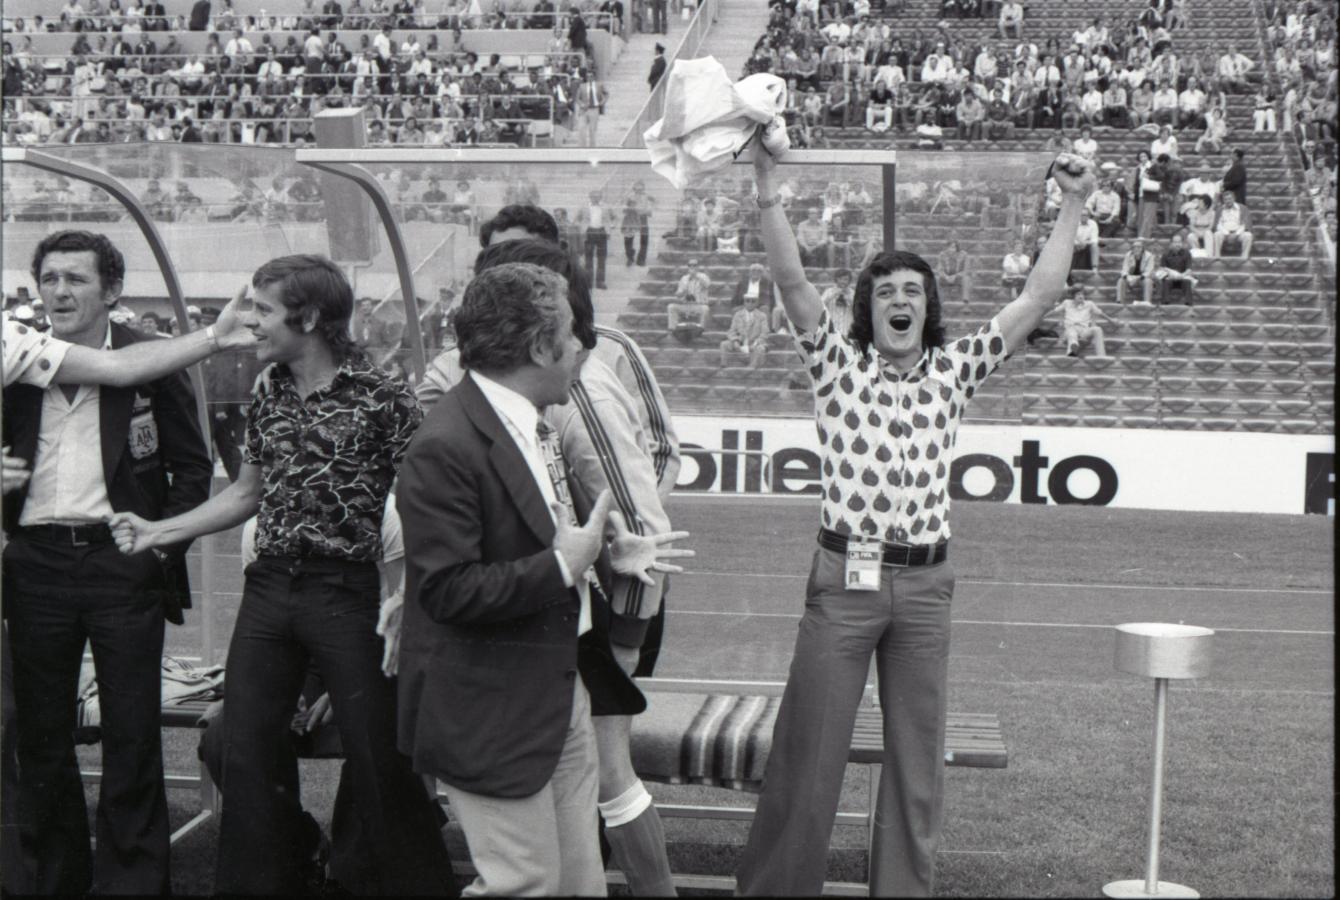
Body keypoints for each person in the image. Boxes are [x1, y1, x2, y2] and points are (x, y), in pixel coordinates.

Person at [737, 128, 1096, 896]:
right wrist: (767, 190)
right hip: (845, 580)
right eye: (886, 291)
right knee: (812, 752)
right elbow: (795, 285)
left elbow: (1038, 297)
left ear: (928, 306)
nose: (900, 299)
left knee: (916, 759)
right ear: (866, 308)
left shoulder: (956, 370)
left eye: (913, 291)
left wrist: (1071, 204)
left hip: (927, 588)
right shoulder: (836, 365)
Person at [107, 255, 454, 895]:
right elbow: (247, 494)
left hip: (348, 593)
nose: (249, 320)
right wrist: (163, 530)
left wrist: (408, 591)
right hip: (268, 590)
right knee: (243, 751)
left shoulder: (384, 397)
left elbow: (435, 499)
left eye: (262, 309)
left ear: (312, 317)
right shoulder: (269, 393)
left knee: (381, 760)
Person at [394, 262, 688, 897]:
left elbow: (539, 540)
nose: (583, 344)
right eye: (571, 332)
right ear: (536, 346)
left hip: (557, 692)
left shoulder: (530, 421)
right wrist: (565, 564)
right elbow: (446, 592)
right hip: (491, 707)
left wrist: (608, 556)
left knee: (580, 883)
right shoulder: (445, 443)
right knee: (523, 885)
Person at [3, 231, 213, 895]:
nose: (59, 291)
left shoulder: (149, 360)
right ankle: (55, 881)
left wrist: (161, 544)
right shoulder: (16, 359)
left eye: (76, 280)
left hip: (120, 564)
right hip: (33, 565)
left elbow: (192, 466)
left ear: (112, 292)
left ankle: (132, 884)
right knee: (41, 736)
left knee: (132, 735)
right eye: (51, 278)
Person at [1057, 284, 1116, 357]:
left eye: (1082, 294)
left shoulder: (1089, 304)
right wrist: (1042, 317)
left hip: (1083, 331)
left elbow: (1100, 313)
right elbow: (1054, 311)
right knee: (1072, 334)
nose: (1081, 296)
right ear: (1073, 296)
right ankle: (1072, 350)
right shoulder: (1066, 303)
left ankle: (1101, 355)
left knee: (1097, 329)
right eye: (1078, 294)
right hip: (1070, 329)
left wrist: (1111, 320)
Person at [719, 293, 770, 370]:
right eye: (748, 301)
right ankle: (724, 365)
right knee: (724, 344)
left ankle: (751, 367)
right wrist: (735, 341)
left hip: (755, 342)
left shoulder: (762, 316)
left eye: (753, 301)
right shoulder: (738, 315)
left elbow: (764, 333)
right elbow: (731, 331)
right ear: (744, 302)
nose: (750, 303)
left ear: (756, 303)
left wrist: (755, 343)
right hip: (741, 341)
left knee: (760, 348)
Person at [666, 258, 711, 343]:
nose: (692, 267)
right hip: (686, 304)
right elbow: (678, 294)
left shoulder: (703, 276)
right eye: (690, 265)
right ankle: (673, 330)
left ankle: (701, 330)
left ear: (698, 267)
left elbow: (707, 284)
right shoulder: (684, 278)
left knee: (705, 309)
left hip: (699, 304)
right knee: (671, 307)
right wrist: (681, 293)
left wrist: (695, 276)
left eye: (694, 265)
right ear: (688, 267)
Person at [1152, 232, 1197, 304]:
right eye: (1175, 242)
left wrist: (1181, 276)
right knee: (1166, 282)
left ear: (1182, 243)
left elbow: (1189, 269)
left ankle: (1189, 304)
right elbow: (1162, 269)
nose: (1177, 244)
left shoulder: (1187, 253)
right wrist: (1170, 274)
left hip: (1183, 277)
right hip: (1170, 278)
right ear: (1171, 244)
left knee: (1187, 282)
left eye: (1179, 242)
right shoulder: (1166, 254)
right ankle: (1165, 304)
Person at [1115, 238, 1157, 305]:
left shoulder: (1149, 256)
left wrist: (1137, 278)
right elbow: (1124, 269)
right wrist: (1127, 277)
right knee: (1121, 280)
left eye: (1139, 247)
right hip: (1131, 278)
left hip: (1142, 278)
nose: (1136, 249)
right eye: (1134, 247)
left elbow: (1149, 271)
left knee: (1148, 281)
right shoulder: (1128, 255)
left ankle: (1147, 302)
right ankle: (1119, 301)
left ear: (1143, 248)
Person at [1212, 192, 1253, 259]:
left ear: (1234, 199)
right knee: (1217, 234)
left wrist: (1236, 234)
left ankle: (1244, 258)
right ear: (1223, 200)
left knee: (1248, 235)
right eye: (1225, 199)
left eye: (1230, 199)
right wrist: (1227, 233)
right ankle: (1217, 257)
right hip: (1224, 233)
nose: (1228, 201)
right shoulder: (1220, 209)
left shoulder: (1242, 208)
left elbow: (1245, 224)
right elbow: (1218, 224)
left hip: (1239, 232)